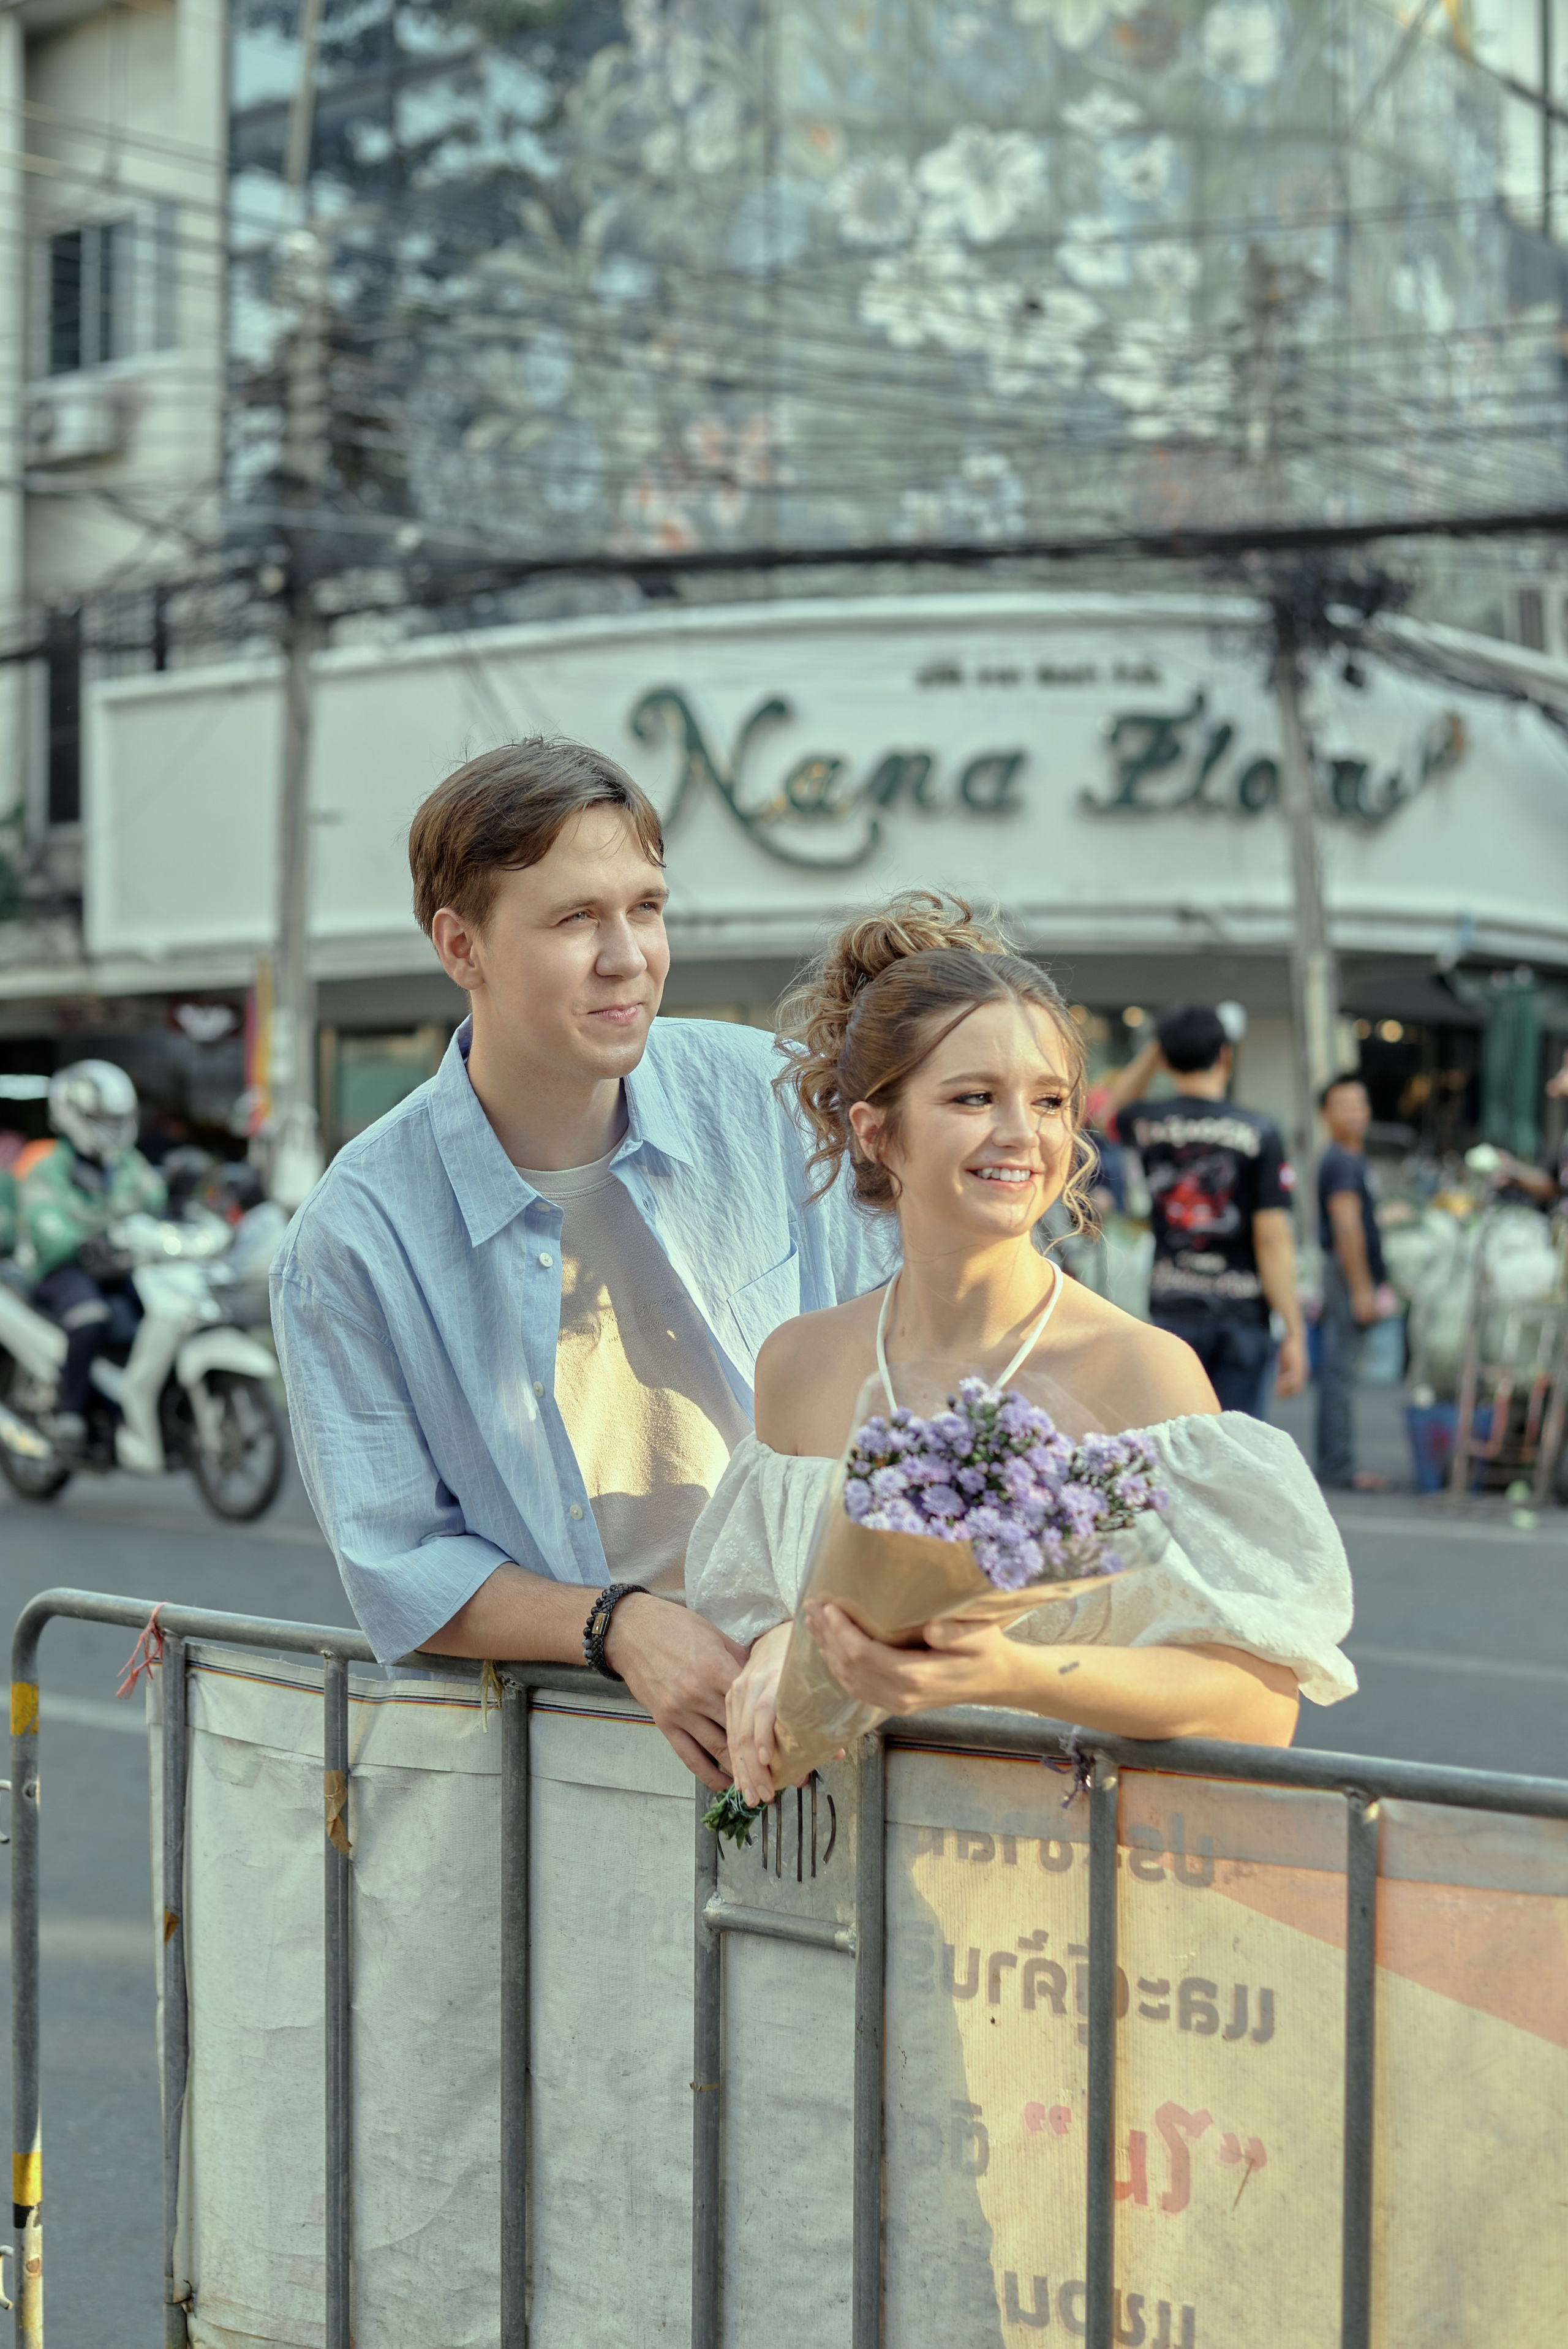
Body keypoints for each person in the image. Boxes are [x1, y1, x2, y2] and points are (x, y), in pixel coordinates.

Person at [269, 739, 895, 1792]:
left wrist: (829, 1615)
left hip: (847, 1687)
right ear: (460, 946)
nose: (628, 955)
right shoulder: (354, 1238)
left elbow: (912, 1369)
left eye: (645, 907)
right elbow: (402, 1563)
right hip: (581, 1749)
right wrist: (620, 1627)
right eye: (574, 919)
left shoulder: (770, 1100)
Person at [684, 904, 1354, 1807]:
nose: (1022, 1134)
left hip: (1054, 1897)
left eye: (1047, 1100)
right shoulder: (798, 1367)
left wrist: (1004, 1671)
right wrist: (774, 1647)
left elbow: (1260, 1703)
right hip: (836, 1885)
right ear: (877, 1131)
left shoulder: (1139, 1371)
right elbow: (764, 1608)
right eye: (973, 1097)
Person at [1099, 1003, 1306, 1415]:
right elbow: (1272, 1237)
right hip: (1242, 1312)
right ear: (1226, 1055)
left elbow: (1108, 1112)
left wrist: (1155, 1053)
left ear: (1163, 1057)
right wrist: (1295, 1330)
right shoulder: (1260, 1130)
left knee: (1176, 1446)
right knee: (1234, 1447)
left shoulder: (1146, 1121)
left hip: (1173, 1306)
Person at [17, 1061, 166, 1452]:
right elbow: (45, 1224)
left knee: (156, 1312)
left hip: (120, 1265)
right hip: (64, 1269)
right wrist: (80, 1240)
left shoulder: (128, 1163)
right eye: (101, 1117)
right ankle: (71, 1409)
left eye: (119, 1118)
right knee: (91, 1318)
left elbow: (156, 1199)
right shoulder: (49, 1168)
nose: (112, 1127)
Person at [1316, 1071, 1398, 1493]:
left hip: (1347, 1271)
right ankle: (1338, 1465)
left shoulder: (1350, 1159)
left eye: (1359, 1103)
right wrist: (1363, 1287)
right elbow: (1347, 1227)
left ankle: (1336, 1461)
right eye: (1342, 1105)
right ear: (1325, 1114)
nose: (1353, 1113)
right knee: (1340, 1370)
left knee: (1339, 1368)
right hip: (1347, 1272)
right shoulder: (1342, 1161)